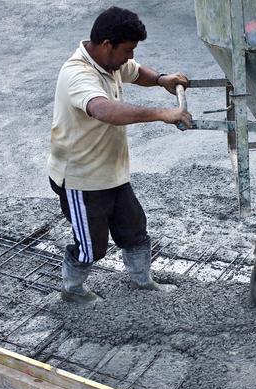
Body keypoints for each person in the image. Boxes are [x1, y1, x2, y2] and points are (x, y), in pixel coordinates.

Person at [48, 6, 192, 303]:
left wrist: (161, 79)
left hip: (111, 172)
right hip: (81, 177)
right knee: (92, 245)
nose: (130, 56)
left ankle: (142, 282)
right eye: (127, 49)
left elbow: (136, 72)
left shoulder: (111, 62)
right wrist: (161, 113)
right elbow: (104, 110)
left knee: (134, 229)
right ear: (105, 45)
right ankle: (72, 290)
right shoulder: (77, 74)